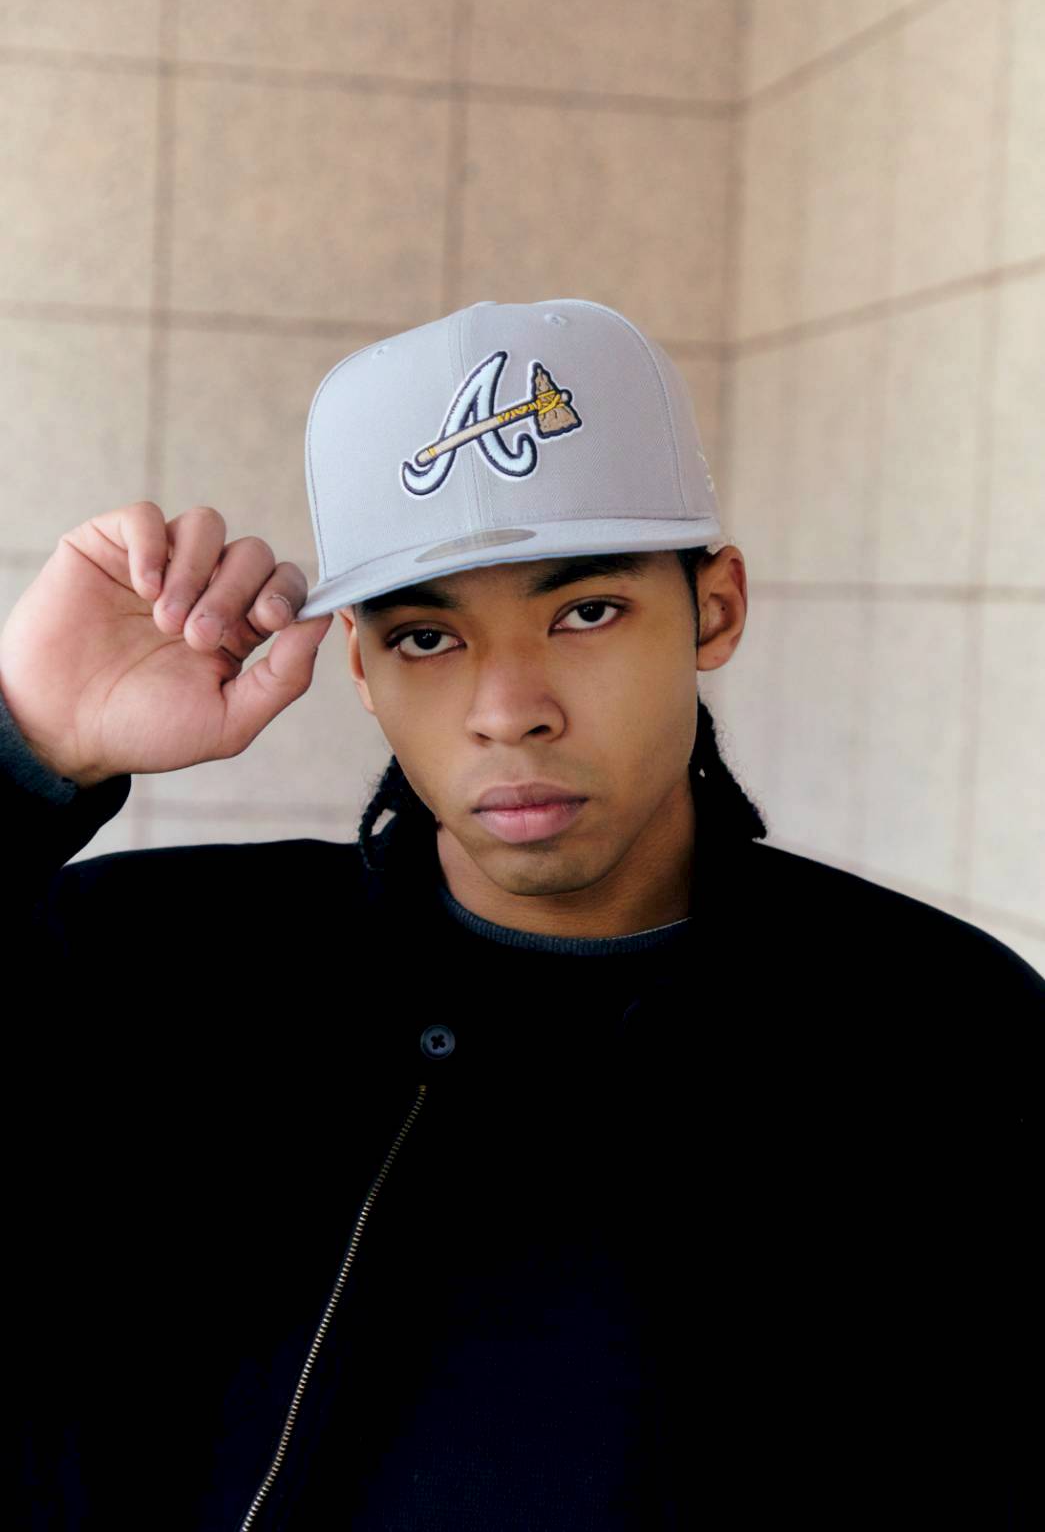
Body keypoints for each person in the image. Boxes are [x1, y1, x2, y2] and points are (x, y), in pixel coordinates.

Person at [3, 298, 1039, 1532]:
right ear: (361, 668)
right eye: (426, 634)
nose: (507, 709)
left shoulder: (946, 1030)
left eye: (584, 611)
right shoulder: (156, 962)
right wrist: (25, 751)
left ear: (714, 607)